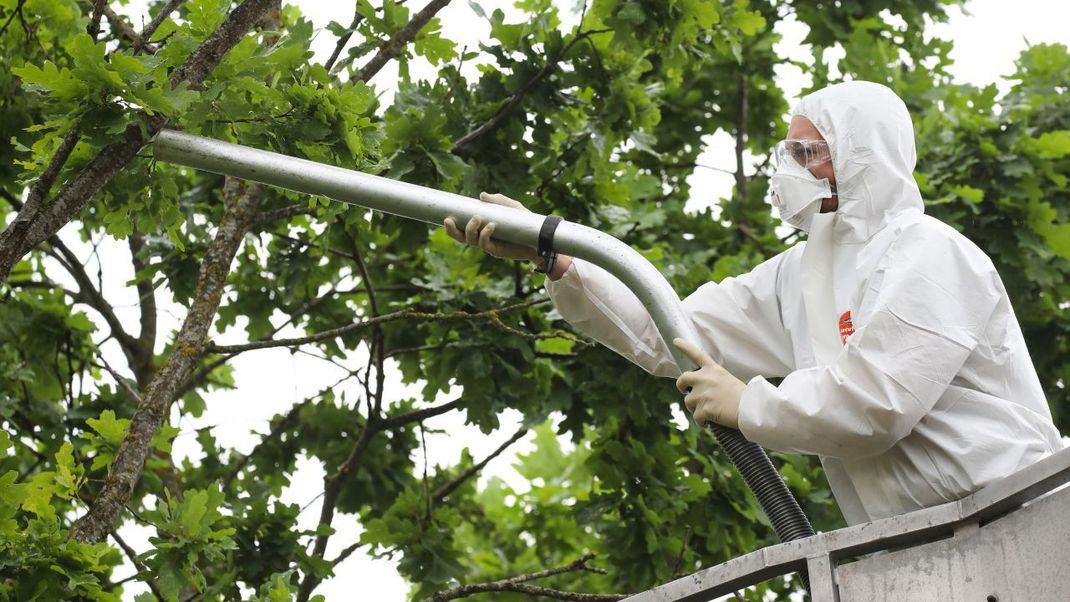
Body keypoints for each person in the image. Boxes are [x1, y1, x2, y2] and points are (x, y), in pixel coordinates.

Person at [443, 81, 1064, 524]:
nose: (790, 166)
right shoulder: (802, 275)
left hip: (1024, 513)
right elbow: (670, 332)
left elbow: (879, 404)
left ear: (862, 155)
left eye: (808, 152)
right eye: (788, 151)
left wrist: (750, 404)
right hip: (912, 543)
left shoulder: (929, 252)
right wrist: (561, 258)